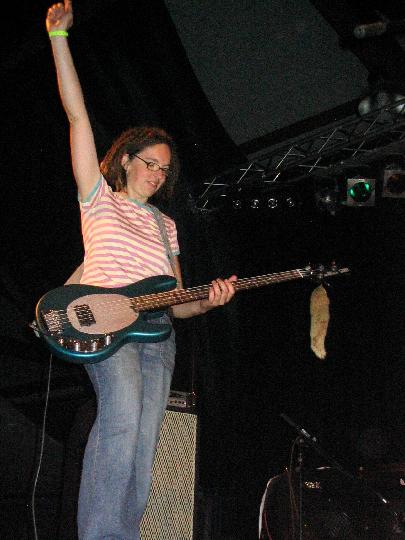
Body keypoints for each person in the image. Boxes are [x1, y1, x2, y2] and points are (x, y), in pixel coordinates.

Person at [46, 1, 236, 539]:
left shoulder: (164, 225)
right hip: (107, 320)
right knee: (122, 420)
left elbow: (179, 301)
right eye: (149, 163)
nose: (156, 174)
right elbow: (78, 117)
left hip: (158, 335)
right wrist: (59, 39)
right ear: (126, 158)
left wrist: (208, 301)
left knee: (146, 442)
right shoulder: (98, 198)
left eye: (164, 170)